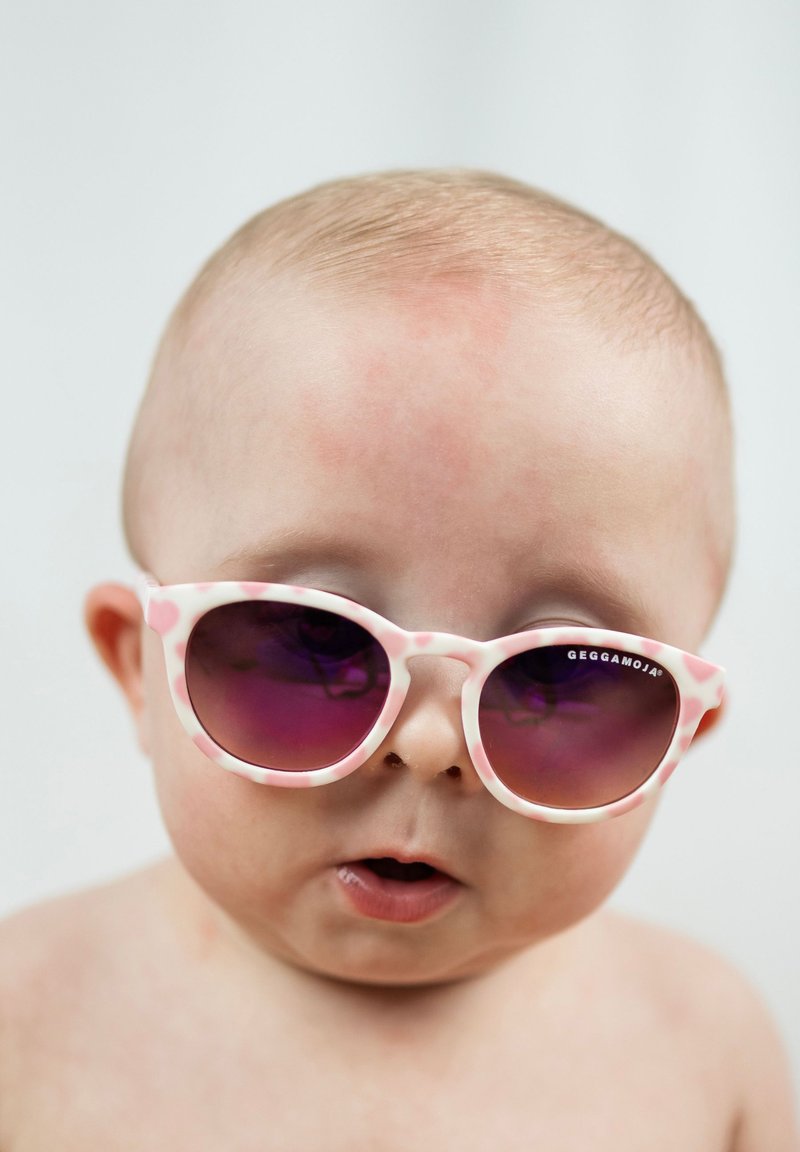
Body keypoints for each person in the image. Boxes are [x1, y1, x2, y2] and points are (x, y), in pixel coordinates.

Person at [0, 170, 795, 1149]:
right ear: (136, 669)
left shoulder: (703, 1049)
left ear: (678, 735)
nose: (427, 745)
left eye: (555, 679)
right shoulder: (24, 1027)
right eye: (313, 644)